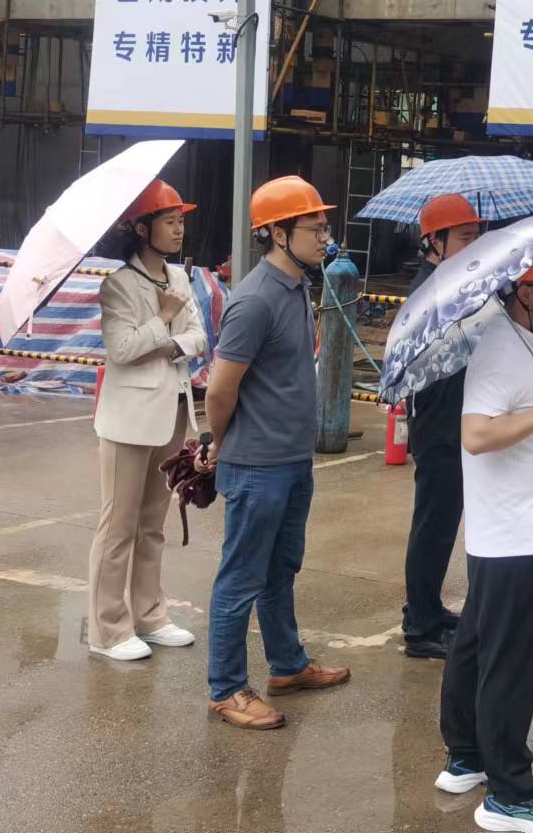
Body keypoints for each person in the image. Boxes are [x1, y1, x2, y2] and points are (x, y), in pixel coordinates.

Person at [436, 248, 533, 833]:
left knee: (478, 643)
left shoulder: (523, 340)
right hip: (517, 535)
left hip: (514, 531)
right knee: (512, 661)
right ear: (527, 293)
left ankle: (467, 755)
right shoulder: (501, 347)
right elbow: (476, 435)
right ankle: (510, 793)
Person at [200, 175, 351, 730]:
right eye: (315, 227)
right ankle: (226, 689)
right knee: (241, 578)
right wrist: (222, 443)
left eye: (325, 226)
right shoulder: (255, 299)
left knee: (281, 569)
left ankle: (287, 665)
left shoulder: (298, 287)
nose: (325, 236)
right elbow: (220, 390)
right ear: (278, 234)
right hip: (257, 466)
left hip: (291, 461)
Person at [87, 178, 208, 662]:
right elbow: (121, 350)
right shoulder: (118, 285)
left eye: (180, 221)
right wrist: (163, 320)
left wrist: (164, 338)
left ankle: (150, 615)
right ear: (142, 228)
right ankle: (107, 629)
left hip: (173, 411)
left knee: (153, 523)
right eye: (169, 221)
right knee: (118, 526)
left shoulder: (179, 277)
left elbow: (200, 337)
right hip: (128, 420)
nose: (179, 230)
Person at [402, 192, 485, 660]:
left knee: (442, 522)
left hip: (453, 421)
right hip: (437, 426)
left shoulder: (450, 285)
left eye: (476, 236)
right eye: (465, 237)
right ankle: (420, 626)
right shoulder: (429, 295)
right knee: (433, 525)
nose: (474, 245)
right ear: (435, 241)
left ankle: (428, 607)